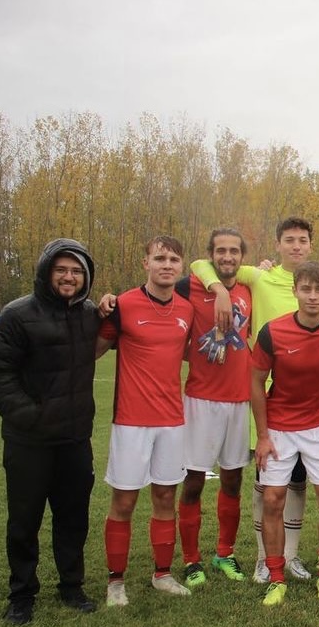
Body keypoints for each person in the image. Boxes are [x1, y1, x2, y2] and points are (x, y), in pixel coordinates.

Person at [0, 239, 101, 624]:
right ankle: (21, 594)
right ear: (47, 272)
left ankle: (71, 586)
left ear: (86, 277)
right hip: (28, 441)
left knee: (73, 516)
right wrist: (31, 416)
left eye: (77, 271)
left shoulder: (90, 315)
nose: (69, 277)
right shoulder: (17, 314)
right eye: (62, 269)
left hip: (75, 439)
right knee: (24, 518)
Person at [191, 217, 316, 583]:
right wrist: (221, 291)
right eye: (289, 240)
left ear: (310, 245)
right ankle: (265, 557)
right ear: (277, 245)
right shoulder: (259, 277)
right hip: (267, 398)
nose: (296, 246)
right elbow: (201, 264)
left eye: (302, 240)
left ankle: (291, 556)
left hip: (308, 401)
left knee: (296, 483)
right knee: (266, 484)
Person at [250, 261, 319, 607]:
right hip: (279, 427)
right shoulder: (272, 332)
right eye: (306, 289)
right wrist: (262, 436)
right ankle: (276, 576)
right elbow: (255, 383)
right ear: (295, 290)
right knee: (272, 499)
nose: (313, 296)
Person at [96, 236, 195, 606]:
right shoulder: (123, 304)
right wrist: (97, 311)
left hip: (172, 419)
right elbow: (93, 350)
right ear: (146, 264)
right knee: (123, 500)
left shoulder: (186, 309)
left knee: (166, 495)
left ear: (181, 266)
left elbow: (189, 353)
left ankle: (162, 574)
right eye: (159, 258)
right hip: (130, 420)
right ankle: (116, 581)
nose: (166, 265)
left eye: (173, 259)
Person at [174, 228, 253, 587]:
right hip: (200, 400)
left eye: (234, 251)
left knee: (233, 480)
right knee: (193, 481)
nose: (228, 256)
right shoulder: (189, 286)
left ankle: (225, 552)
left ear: (242, 256)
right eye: (221, 250)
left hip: (239, 401)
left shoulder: (252, 288)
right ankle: (191, 560)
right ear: (210, 255)